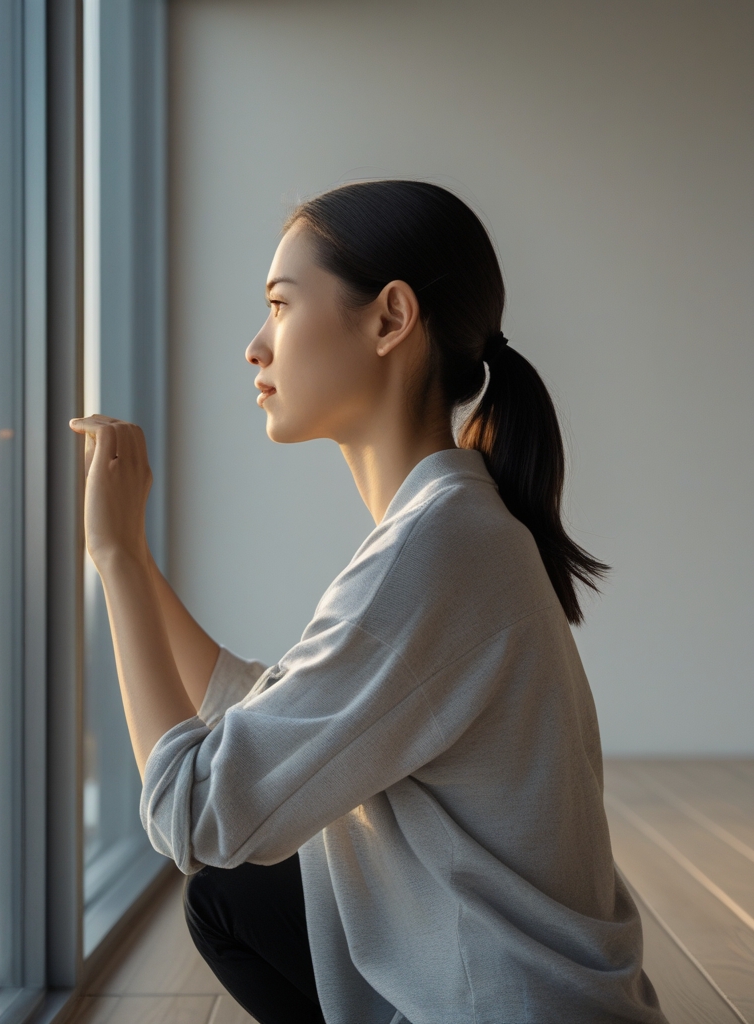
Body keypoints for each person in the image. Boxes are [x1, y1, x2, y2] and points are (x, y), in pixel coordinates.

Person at [70, 180, 665, 1024]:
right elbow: (274, 715)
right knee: (233, 900)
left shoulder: (437, 549)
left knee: (224, 887)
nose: (255, 346)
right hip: (538, 1000)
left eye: (281, 304)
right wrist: (127, 554)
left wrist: (115, 561)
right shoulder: (453, 526)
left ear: (390, 319)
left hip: (512, 1008)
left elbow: (192, 814)